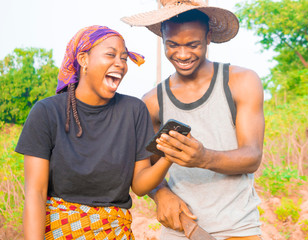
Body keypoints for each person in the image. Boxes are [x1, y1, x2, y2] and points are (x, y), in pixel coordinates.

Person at [121, 1, 265, 240]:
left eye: (193, 45)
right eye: (172, 45)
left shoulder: (241, 82)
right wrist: (161, 195)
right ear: (163, 39)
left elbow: (252, 156)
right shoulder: (152, 101)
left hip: (238, 229)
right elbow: (148, 171)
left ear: (209, 37)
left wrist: (204, 158)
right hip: (181, 229)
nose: (183, 54)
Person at [15, 25, 173, 240]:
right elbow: (36, 193)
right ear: (83, 59)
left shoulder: (134, 110)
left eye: (124, 58)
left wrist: (167, 157)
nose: (120, 63)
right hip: (61, 231)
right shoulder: (47, 112)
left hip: (114, 233)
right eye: (111, 54)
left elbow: (139, 185)